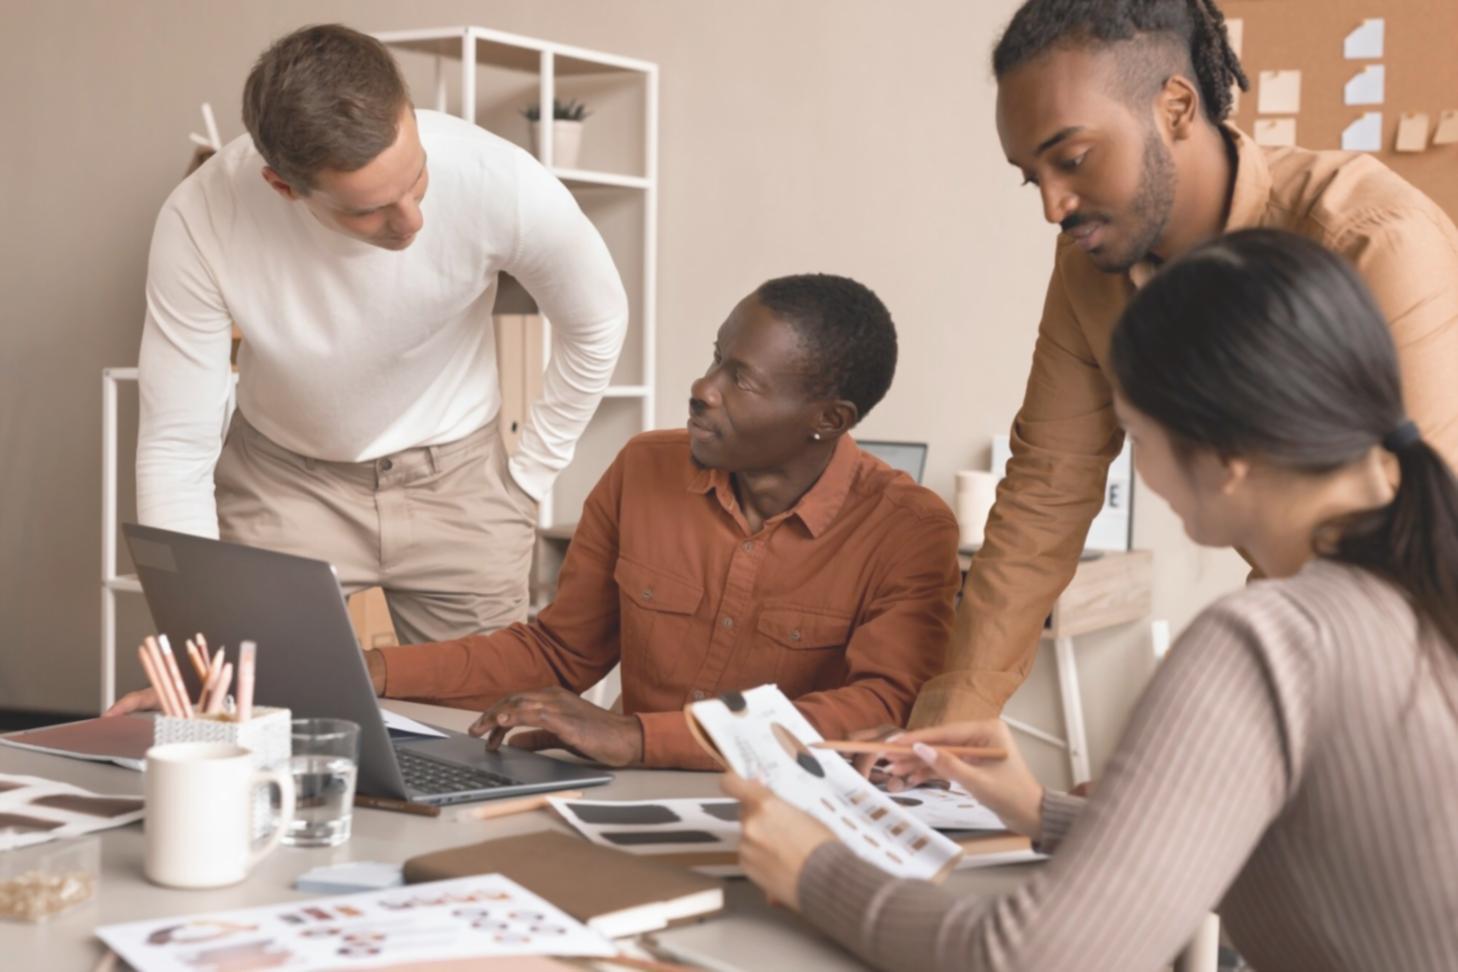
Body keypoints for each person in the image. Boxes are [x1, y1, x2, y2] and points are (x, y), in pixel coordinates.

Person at [727, 230, 1458, 972]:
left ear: (1228, 456)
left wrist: (814, 868)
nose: (1140, 468)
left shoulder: (1272, 640)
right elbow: (1295, 855)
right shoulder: (1419, 588)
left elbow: (1032, 959)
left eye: (1136, 435)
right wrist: (1038, 811)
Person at [110, 274, 963, 770]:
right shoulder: (645, 467)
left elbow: (878, 709)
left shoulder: (909, 527)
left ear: (829, 416)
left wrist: (637, 737)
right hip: (624, 806)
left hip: (788, 814)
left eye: (742, 379)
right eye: (713, 358)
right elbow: (557, 652)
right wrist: (352, 669)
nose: (703, 387)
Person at [911, 0, 1458, 726]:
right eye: (1029, 176)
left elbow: (1402, 536)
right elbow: (1046, 491)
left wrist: (1200, 764)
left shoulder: (1372, 240)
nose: (1052, 205)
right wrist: (950, 733)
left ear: (1175, 106)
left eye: (1071, 160)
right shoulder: (1089, 268)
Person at [136, 24, 628, 645]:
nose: (411, 221)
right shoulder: (200, 218)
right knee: (263, 720)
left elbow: (598, 320)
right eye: (367, 209)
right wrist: (194, 629)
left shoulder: (499, 178)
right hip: (283, 485)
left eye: (416, 178)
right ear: (282, 187)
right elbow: (177, 443)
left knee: (482, 730)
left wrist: (528, 476)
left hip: (461, 483)